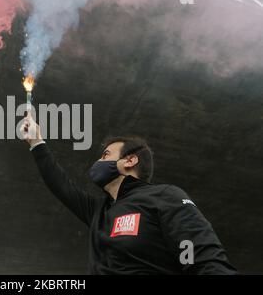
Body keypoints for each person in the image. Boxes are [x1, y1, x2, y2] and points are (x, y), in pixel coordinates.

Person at [20, 114, 237, 274]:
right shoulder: (99, 210)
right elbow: (61, 185)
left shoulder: (165, 196)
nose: (98, 162)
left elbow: (202, 257)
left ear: (130, 160)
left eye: (106, 155)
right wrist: (36, 142)